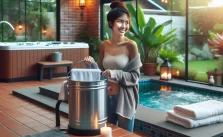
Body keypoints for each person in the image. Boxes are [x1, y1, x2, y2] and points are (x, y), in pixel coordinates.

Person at [84, 1, 142, 132]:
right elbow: (100, 73)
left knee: (124, 134)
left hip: (124, 99)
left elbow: (135, 77)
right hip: (105, 96)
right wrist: (91, 64)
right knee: (106, 133)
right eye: (120, 22)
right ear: (110, 23)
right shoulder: (104, 45)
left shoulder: (131, 45)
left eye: (126, 22)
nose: (124, 25)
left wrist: (115, 73)